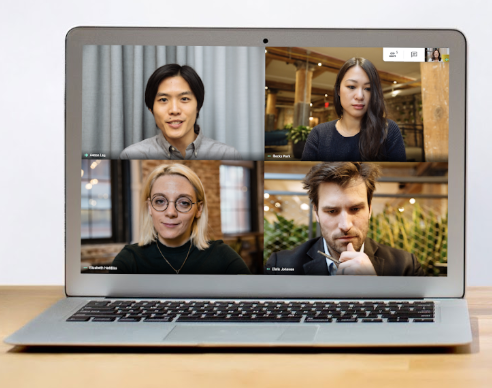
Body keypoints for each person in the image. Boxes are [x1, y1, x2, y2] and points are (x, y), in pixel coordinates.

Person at [265, 162, 424, 276]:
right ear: (317, 213)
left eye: (355, 209)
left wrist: (374, 288)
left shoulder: (405, 266)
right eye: (332, 211)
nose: (345, 225)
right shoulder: (281, 265)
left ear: (369, 210)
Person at [112, 163, 251, 274]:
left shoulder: (223, 256)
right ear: (149, 207)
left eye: (184, 203)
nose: (171, 212)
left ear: (198, 209)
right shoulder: (129, 259)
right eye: (160, 201)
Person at [120, 64, 241, 160]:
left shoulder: (227, 154)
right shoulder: (132, 155)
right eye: (163, 100)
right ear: (151, 109)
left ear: (198, 105)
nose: (174, 110)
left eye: (184, 99)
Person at [301, 57, 406, 162]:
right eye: (351, 87)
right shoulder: (319, 134)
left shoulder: (388, 130)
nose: (360, 96)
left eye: (368, 89)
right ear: (338, 90)